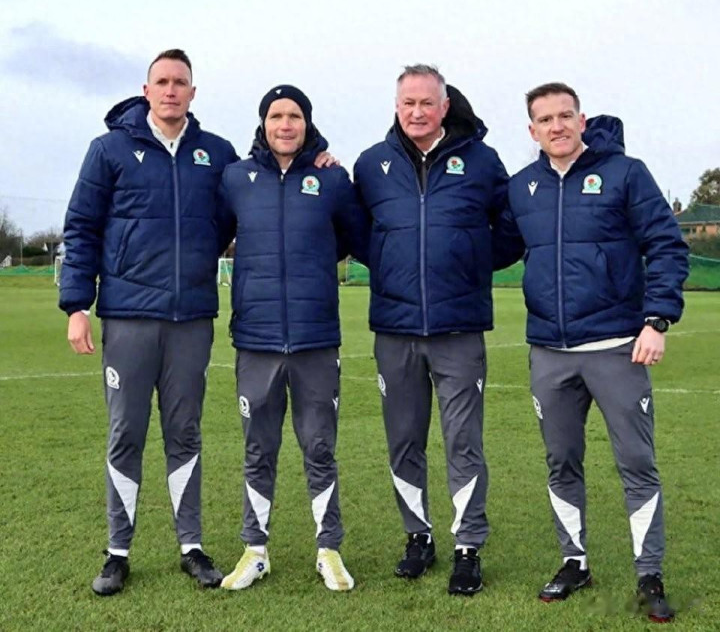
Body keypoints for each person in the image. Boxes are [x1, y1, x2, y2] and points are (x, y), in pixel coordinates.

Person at [504, 82, 688, 622]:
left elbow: (667, 245)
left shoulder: (625, 174)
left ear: (581, 121)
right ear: (532, 130)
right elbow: (490, 246)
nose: (556, 126)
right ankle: (575, 562)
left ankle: (648, 574)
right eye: (545, 119)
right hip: (549, 352)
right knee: (561, 461)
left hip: (616, 348)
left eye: (565, 116)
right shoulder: (522, 187)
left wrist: (657, 320)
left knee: (636, 463)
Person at [59, 49, 240, 595]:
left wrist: (317, 151)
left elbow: (250, 195)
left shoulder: (217, 154)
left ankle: (192, 547)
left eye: (180, 82)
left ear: (193, 92)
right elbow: (82, 227)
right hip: (129, 318)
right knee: (126, 433)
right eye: (161, 81)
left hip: (191, 320)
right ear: (146, 90)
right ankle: (118, 552)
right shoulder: (109, 149)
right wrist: (76, 307)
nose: (170, 90)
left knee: (185, 433)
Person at [353, 65, 520, 595]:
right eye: (408, 103)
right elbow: (357, 232)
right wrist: (391, 262)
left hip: (458, 329)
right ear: (396, 106)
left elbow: (510, 228)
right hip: (395, 328)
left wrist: (469, 261)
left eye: (427, 102)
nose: (417, 112)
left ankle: (468, 547)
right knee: (404, 441)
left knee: (463, 442)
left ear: (445, 106)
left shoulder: (482, 161)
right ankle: (418, 537)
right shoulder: (372, 165)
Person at [218, 85, 368, 592]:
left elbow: (353, 238)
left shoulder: (332, 180)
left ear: (308, 123)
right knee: (258, 450)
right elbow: (212, 235)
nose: (286, 125)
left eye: (295, 116)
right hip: (256, 340)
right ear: (263, 123)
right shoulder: (236, 178)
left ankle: (329, 550)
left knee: (319, 447)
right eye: (276, 116)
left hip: (315, 339)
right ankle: (254, 550)